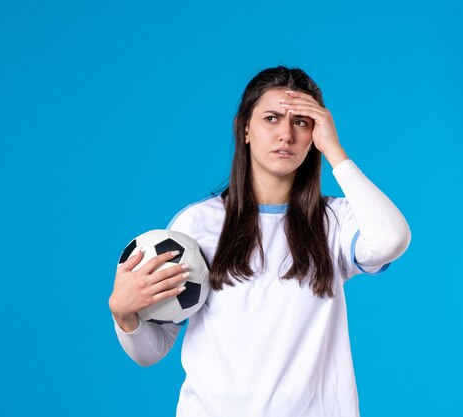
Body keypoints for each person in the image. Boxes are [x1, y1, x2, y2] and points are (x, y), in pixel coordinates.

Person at [107, 65, 411, 417]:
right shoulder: (197, 224)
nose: (286, 134)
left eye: (301, 122)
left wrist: (334, 152)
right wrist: (123, 313)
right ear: (244, 128)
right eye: (271, 118)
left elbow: (392, 239)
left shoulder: (335, 221)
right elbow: (152, 351)